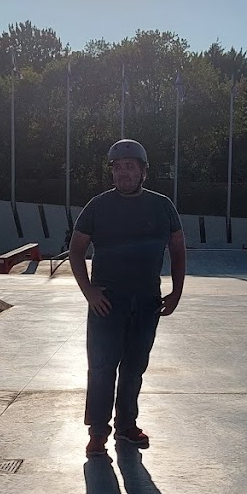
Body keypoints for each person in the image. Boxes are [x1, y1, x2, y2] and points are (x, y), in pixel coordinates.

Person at [69, 139, 187, 458]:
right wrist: (89, 291)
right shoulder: (98, 206)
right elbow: (76, 251)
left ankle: (126, 426)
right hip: (107, 303)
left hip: (147, 302)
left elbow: (177, 248)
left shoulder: (162, 206)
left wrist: (177, 290)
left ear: (143, 171)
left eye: (130, 167)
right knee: (102, 368)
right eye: (117, 168)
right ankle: (97, 433)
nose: (123, 173)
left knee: (134, 368)